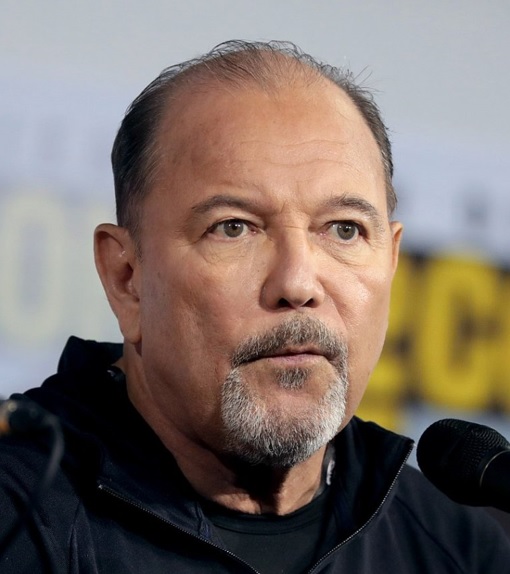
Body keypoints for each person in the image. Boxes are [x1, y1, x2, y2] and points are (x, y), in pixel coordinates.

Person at [1, 40, 509, 574]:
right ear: (126, 278)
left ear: (392, 261)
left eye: (344, 229)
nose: (297, 283)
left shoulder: (458, 551)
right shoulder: (17, 519)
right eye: (233, 228)